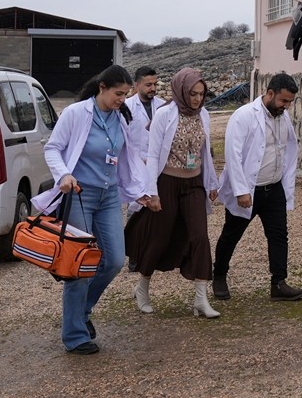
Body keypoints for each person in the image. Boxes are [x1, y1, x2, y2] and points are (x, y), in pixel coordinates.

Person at [33, 64, 149, 355]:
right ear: (102, 88)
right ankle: (74, 335)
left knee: (113, 261)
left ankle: (82, 311)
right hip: (80, 194)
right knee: (80, 265)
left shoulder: (120, 117)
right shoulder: (76, 114)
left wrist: (141, 191)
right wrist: (64, 175)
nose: (123, 99)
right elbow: (53, 148)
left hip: (109, 196)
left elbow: (128, 157)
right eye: (118, 94)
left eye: (125, 94)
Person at [125, 68, 221, 318]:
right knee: (159, 237)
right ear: (181, 90)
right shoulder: (165, 114)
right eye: (193, 93)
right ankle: (142, 287)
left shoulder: (205, 115)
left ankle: (201, 298)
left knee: (200, 237)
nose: (197, 99)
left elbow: (204, 153)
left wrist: (211, 183)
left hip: (194, 184)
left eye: (201, 94)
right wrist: (152, 192)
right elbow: (154, 154)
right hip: (167, 182)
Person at [213, 73, 302, 302]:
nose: (286, 106)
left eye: (290, 102)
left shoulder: (281, 117)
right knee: (231, 234)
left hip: (274, 188)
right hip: (249, 189)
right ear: (270, 93)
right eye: (283, 101)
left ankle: (278, 283)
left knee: (278, 235)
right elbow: (232, 154)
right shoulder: (243, 116)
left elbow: (285, 150)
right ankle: (219, 276)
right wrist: (241, 190)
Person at [123, 66, 164, 271]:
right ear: (137, 85)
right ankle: (134, 254)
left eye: (155, 84)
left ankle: (154, 254)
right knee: (136, 209)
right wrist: (140, 159)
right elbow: (125, 139)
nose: (153, 88)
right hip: (136, 165)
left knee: (157, 209)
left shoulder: (163, 106)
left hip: (158, 166)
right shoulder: (126, 107)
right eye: (148, 84)